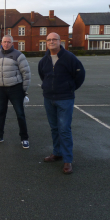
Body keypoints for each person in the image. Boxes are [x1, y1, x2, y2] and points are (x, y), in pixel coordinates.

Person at [38, 32, 85, 174]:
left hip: (65, 99)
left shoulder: (70, 58)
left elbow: (80, 75)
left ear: (60, 41)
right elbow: (43, 76)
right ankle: (57, 153)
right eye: (49, 40)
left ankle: (67, 160)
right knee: (54, 128)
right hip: (48, 98)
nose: (51, 42)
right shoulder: (44, 60)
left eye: (54, 39)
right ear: (46, 42)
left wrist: (69, 88)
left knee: (64, 129)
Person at [0, 35, 31, 148]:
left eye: (8, 42)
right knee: (1, 113)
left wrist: (23, 89)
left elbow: (26, 73)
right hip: (1, 89)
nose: (6, 44)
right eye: (4, 42)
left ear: (12, 43)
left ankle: (24, 138)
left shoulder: (19, 55)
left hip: (15, 88)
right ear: (1, 43)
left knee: (20, 114)